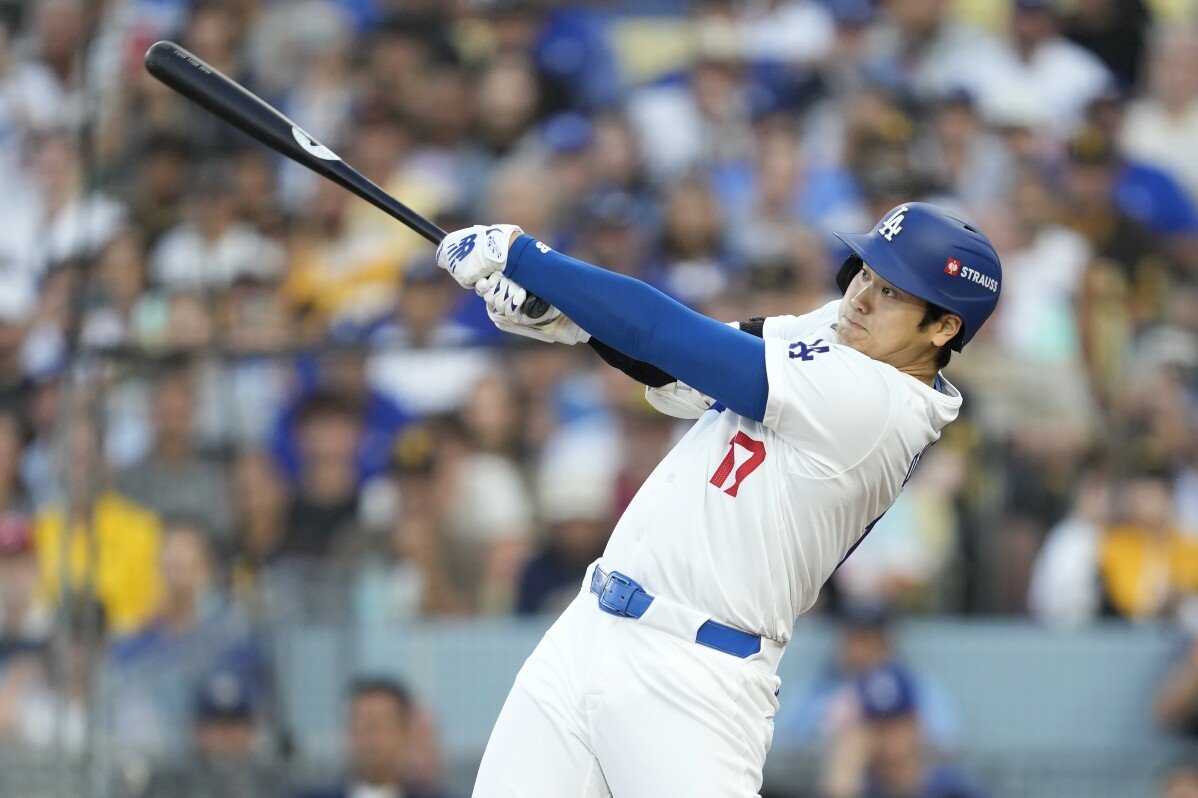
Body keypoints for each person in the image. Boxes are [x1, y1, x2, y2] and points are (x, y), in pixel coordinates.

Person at [432, 201, 1001, 795]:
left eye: (892, 292)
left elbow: (672, 338)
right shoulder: (842, 331)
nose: (860, 295)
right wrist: (573, 319)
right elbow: (689, 365)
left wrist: (528, 259)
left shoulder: (883, 405)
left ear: (943, 328)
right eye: (865, 272)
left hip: (695, 679)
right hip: (589, 628)